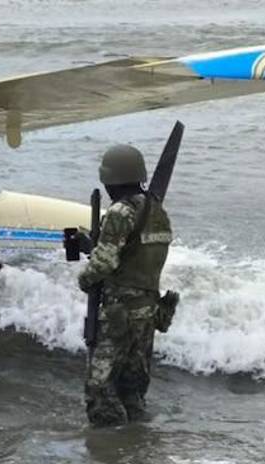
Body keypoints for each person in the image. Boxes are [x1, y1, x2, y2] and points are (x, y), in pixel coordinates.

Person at [76, 144, 174, 426]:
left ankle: (112, 447)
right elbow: (136, 256)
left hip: (121, 313)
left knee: (99, 387)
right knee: (132, 387)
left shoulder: (120, 212)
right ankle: (135, 446)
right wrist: (94, 246)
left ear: (110, 179)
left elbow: (103, 265)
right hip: (148, 310)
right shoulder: (157, 210)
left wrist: (84, 280)